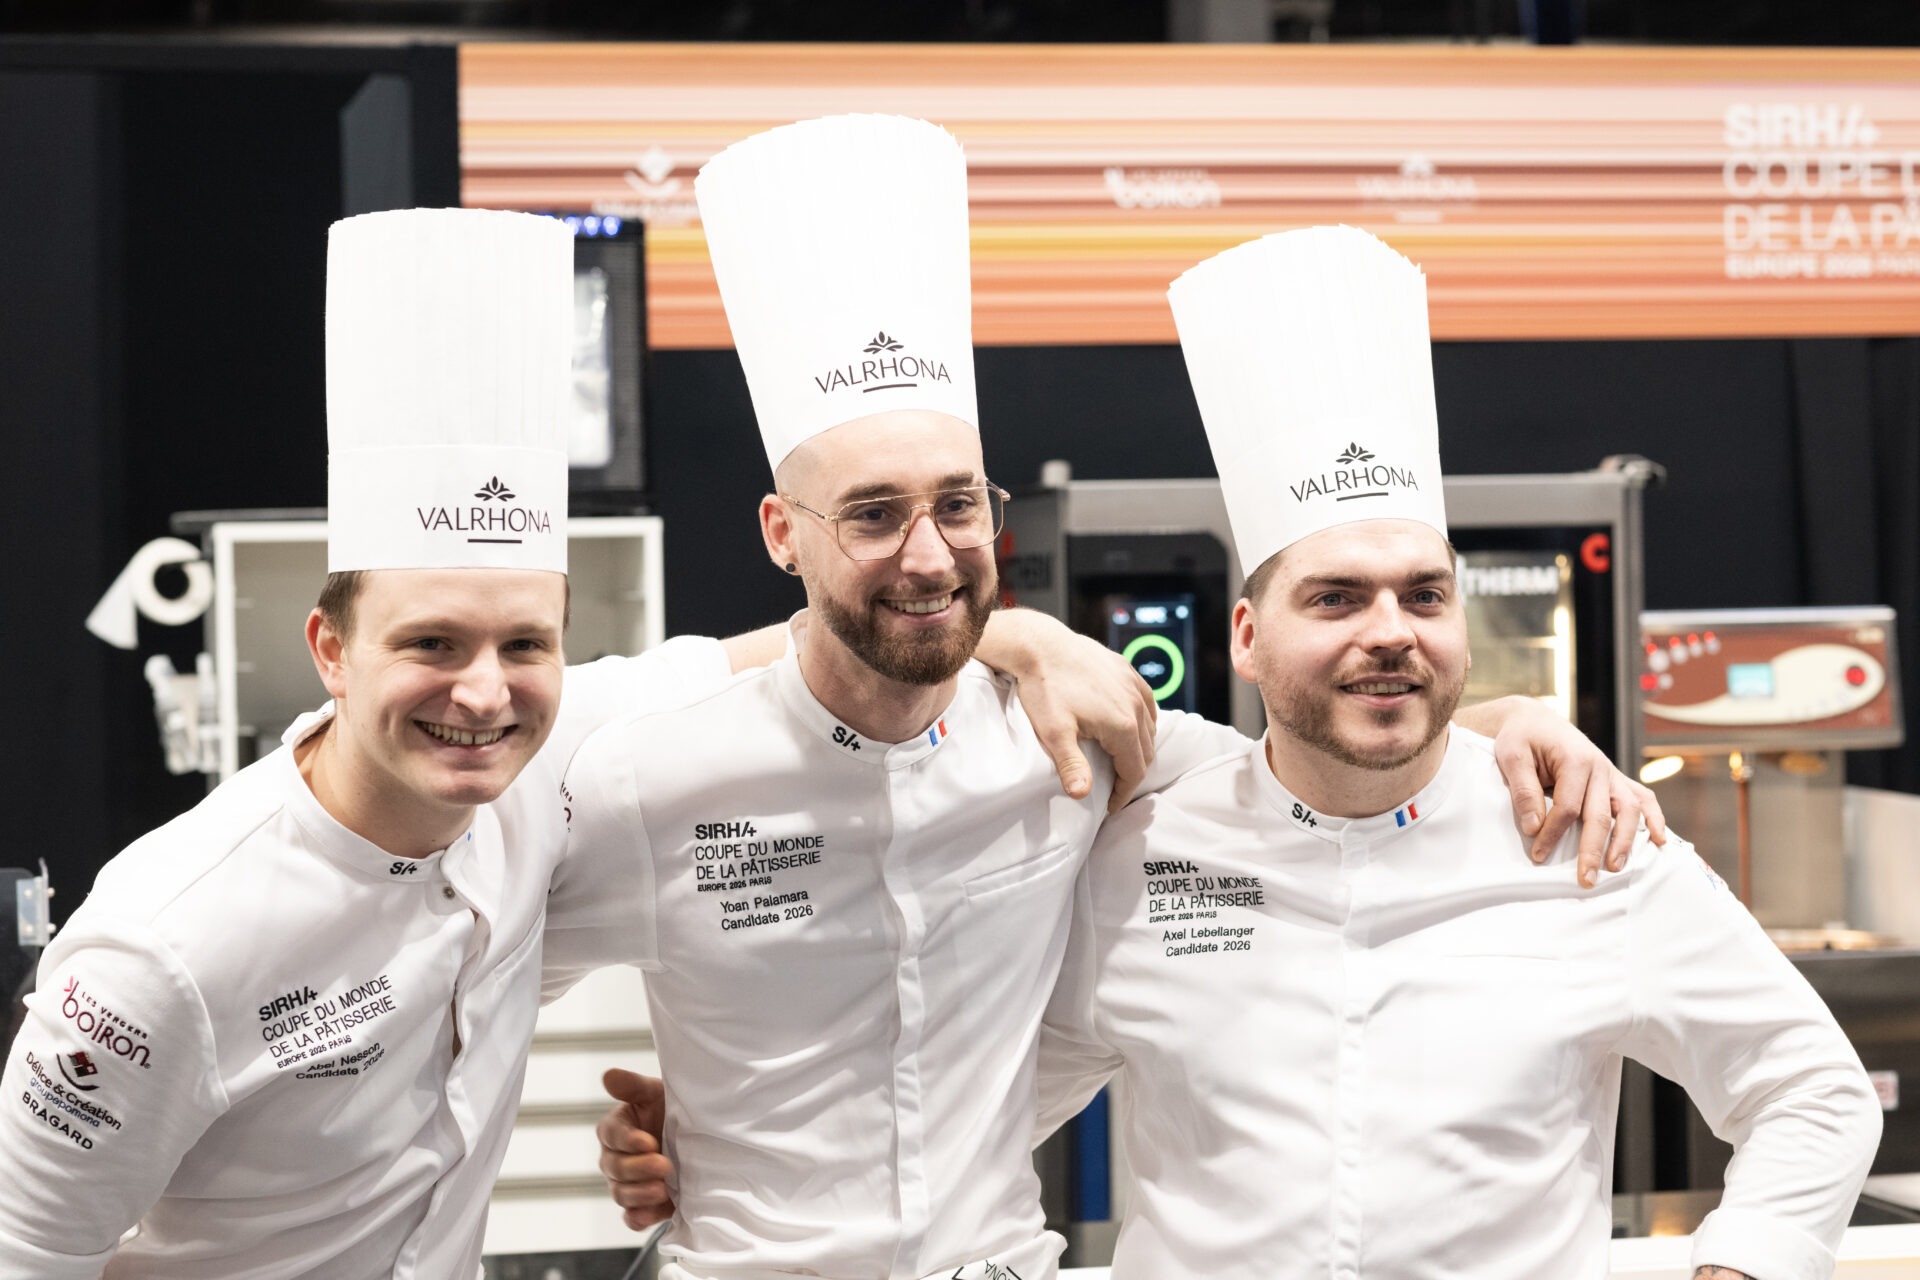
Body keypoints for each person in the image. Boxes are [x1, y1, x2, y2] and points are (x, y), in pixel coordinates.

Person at [566, 118, 1665, 1280]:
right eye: (874, 514)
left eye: (958, 504)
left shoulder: (1076, 744)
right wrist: (670, 1134)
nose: (931, 555)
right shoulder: (655, 769)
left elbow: (1310, 766)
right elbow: (463, 945)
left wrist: (1507, 724)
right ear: (782, 532)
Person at [0, 208, 1144, 1280]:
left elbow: (801, 652)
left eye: (523, 642)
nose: (483, 691)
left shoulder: (549, 761)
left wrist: (1017, 633)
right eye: (432, 640)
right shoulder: (162, 947)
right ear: (330, 648)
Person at [1034, 226, 1882, 1280]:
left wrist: (1742, 1264)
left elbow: (1811, 1089)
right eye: (1337, 596)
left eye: (1424, 594)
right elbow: (980, 1110)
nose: (1390, 628)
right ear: (1247, 636)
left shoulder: (1591, 844)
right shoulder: (1146, 852)